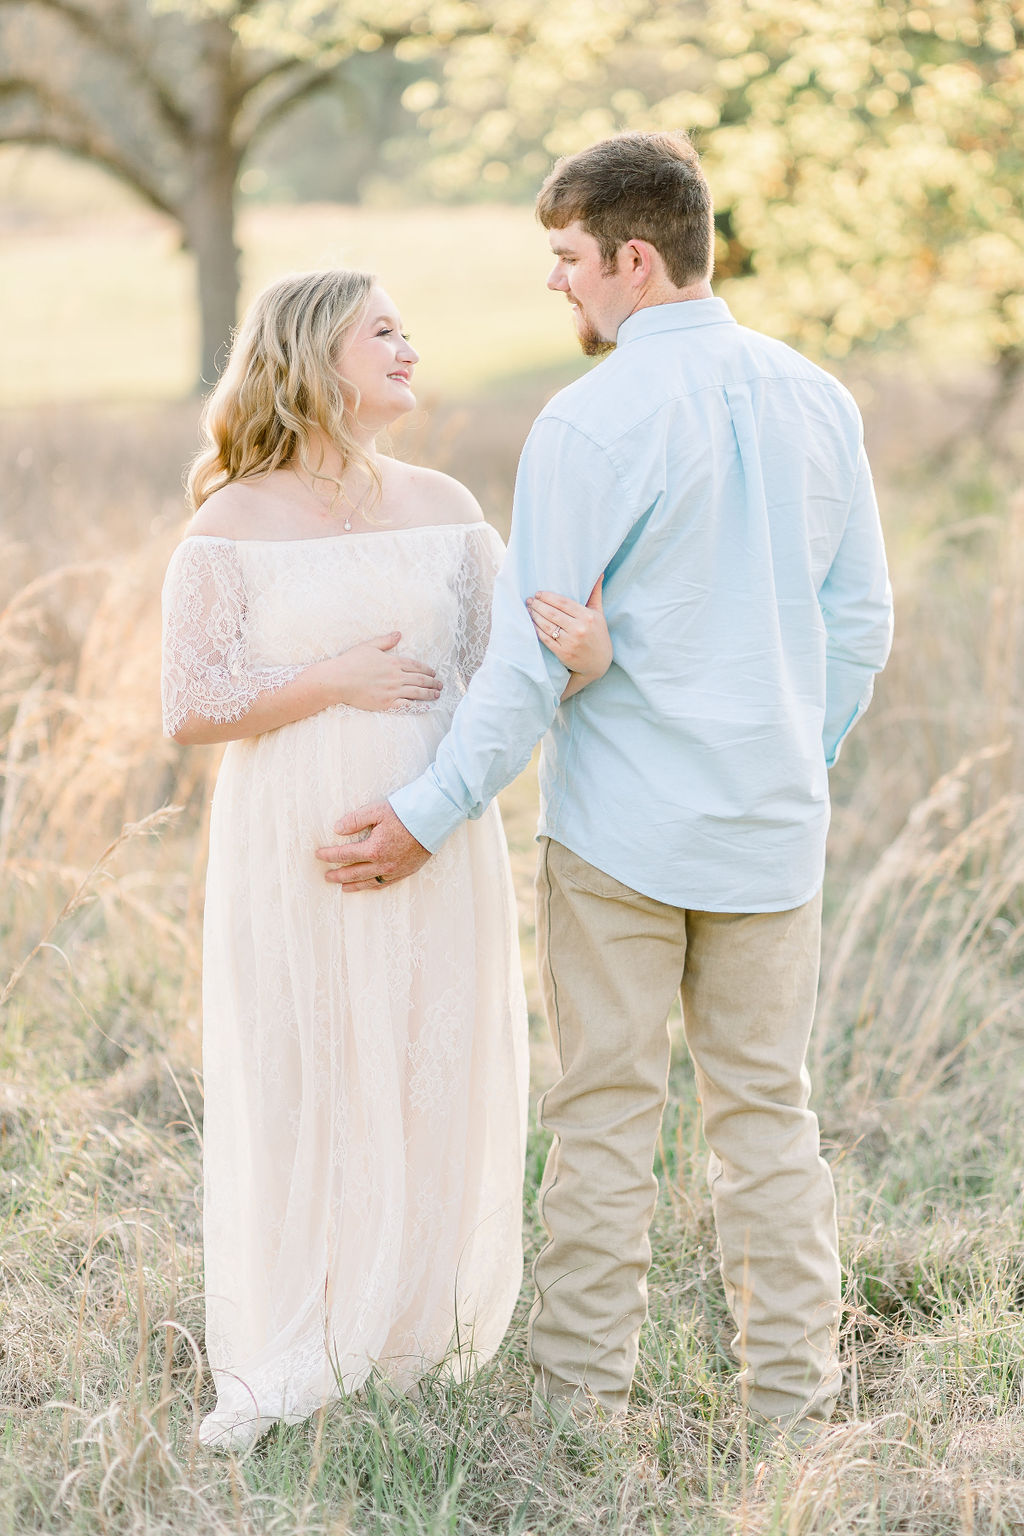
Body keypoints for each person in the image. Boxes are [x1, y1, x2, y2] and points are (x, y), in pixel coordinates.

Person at [317, 132, 894, 1438]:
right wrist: (793, 754)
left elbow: (526, 664)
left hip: (623, 838)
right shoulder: (821, 397)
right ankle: (792, 1411)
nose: (560, 288)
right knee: (770, 1117)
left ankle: (585, 1409)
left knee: (606, 1120)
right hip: (770, 834)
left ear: (635, 258)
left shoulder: (591, 420)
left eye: (570, 261)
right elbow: (860, 625)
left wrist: (424, 811)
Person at [159, 268, 612, 1451]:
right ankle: (303, 1326)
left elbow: (509, 667)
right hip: (290, 839)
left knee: (424, 1052)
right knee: (308, 1061)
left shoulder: (447, 503)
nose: (411, 348)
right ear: (314, 357)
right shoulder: (230, 521)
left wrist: (590, 654)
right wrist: (331, 682)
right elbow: (191, 704)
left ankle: (412, 1328)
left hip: (433, 827)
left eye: (410, 329)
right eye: (384, 332)